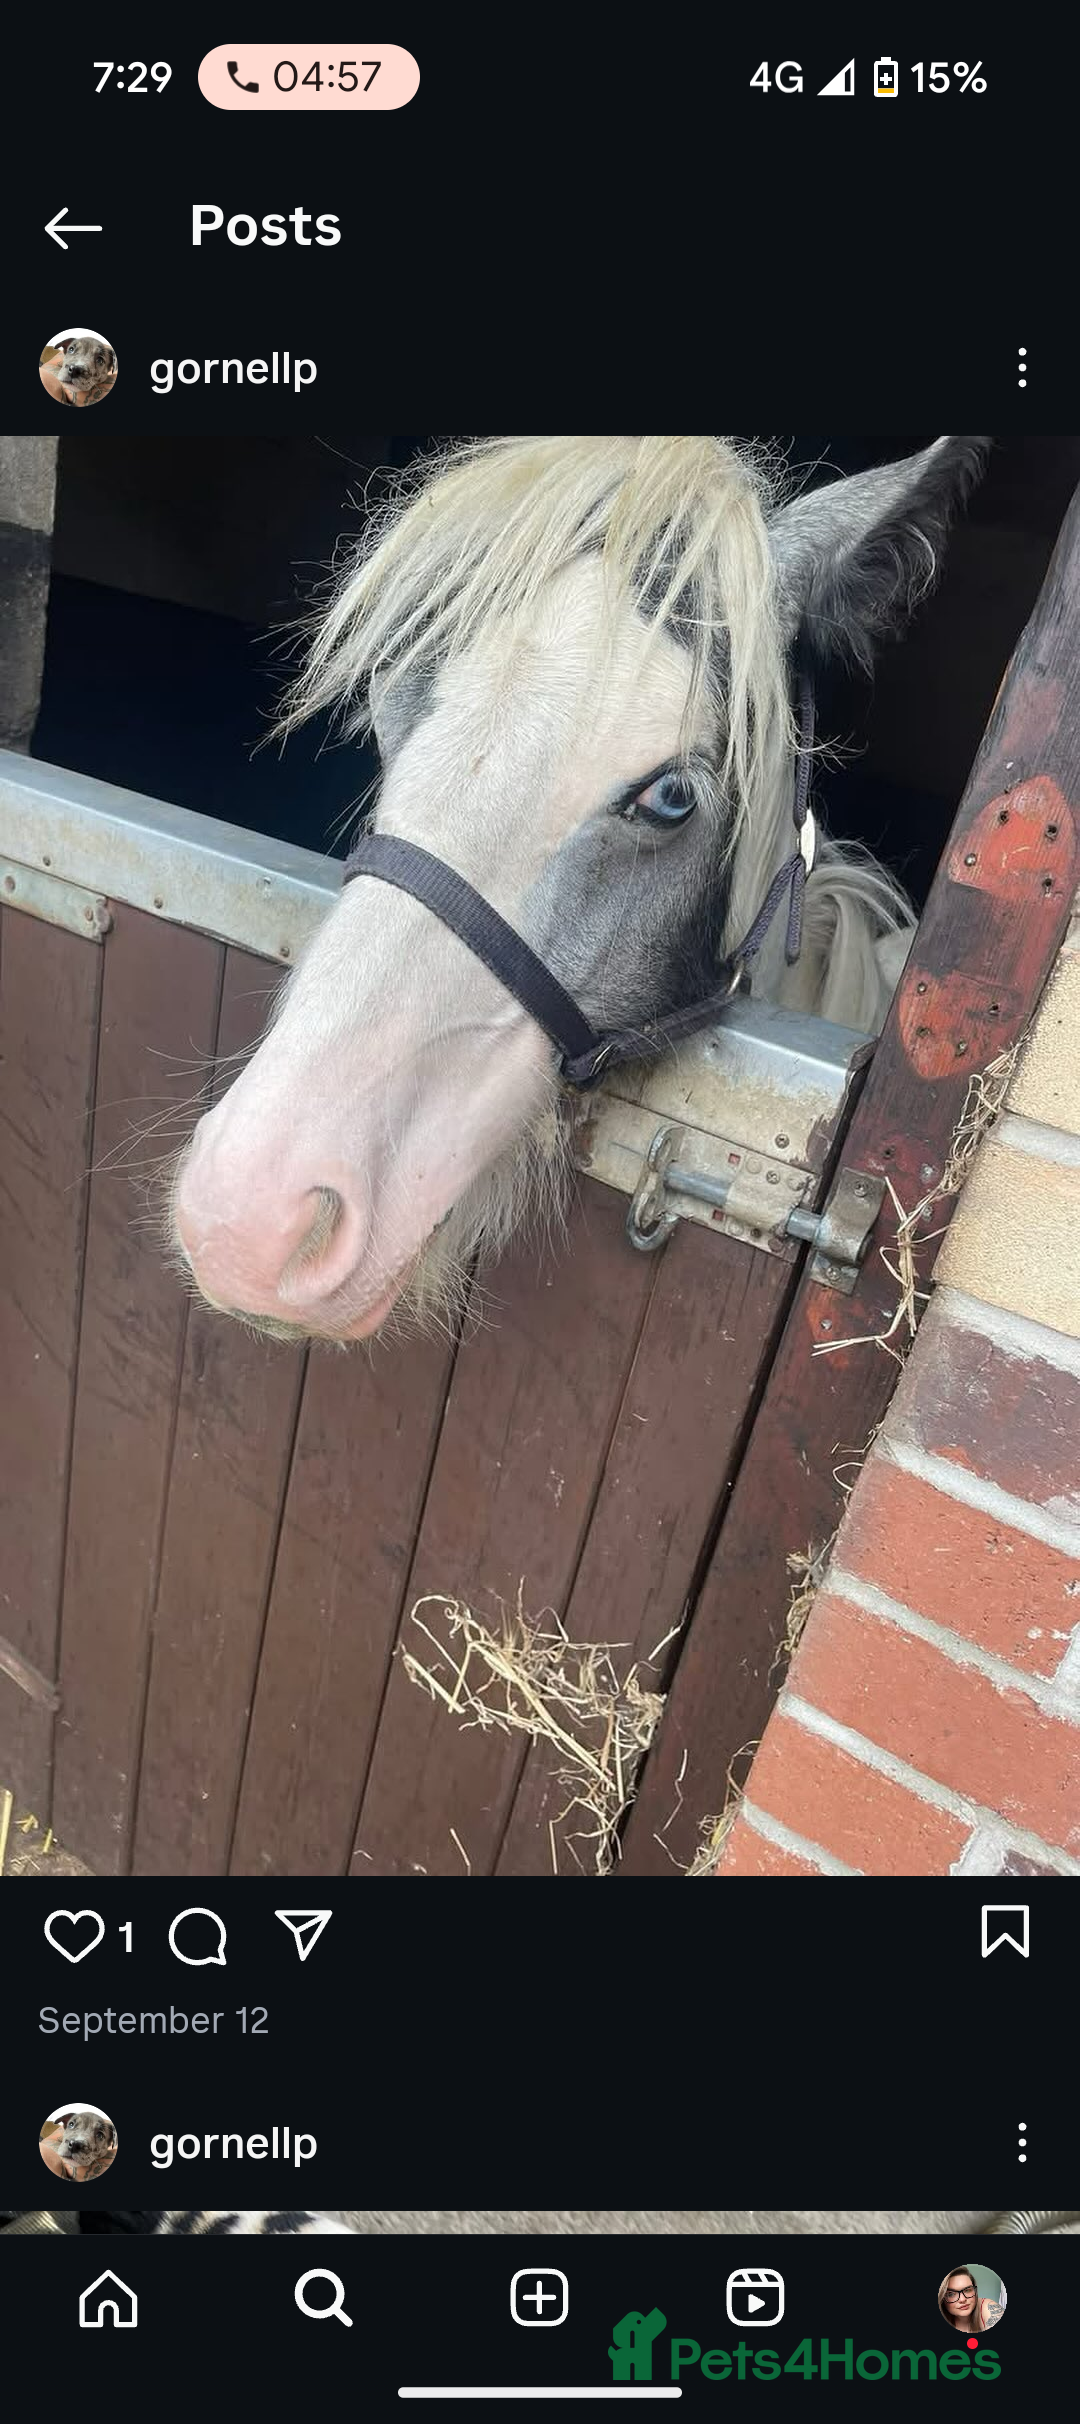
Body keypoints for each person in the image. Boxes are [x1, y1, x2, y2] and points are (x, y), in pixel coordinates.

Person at [937, 2269, 1004, 2333]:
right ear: (942, 2298)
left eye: (967, 2290)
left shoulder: (987, 2307)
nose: (962, 2299)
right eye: (951, 2294)